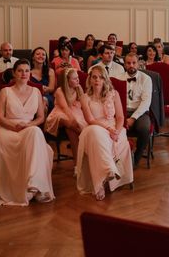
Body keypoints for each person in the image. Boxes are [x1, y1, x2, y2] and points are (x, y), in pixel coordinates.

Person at [0, 59, 54, 206]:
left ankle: (33, 183)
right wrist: (14, 127)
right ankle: (28, 186)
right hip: (7, 130)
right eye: (20, 70)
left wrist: (29, 125)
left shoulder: (36, 92)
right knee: (35, 135)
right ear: (14, 73)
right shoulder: (5, 92)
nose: (24, 74)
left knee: (35, 132)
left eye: (26, 71)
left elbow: (40, 117)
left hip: (27, 128)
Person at [76, 64, 133, 200]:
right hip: (94, 127)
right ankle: (106, 174)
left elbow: (120, 117)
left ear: (105, 80)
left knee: (99, 137)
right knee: (95, 132)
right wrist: (107, 129)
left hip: (115, 128)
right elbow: (90, 119)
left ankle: (102, 180)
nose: (97, 80)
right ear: (89, 79)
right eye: (94, 77)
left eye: (100, 77)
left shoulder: (114, 94)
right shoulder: (84, 97)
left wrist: (117, 131)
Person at [44, 67, 87, 162]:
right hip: (61, 112)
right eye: (74, 78)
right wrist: (75, 122)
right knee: (71, 123)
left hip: (74, 111)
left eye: (78, 77)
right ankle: (85, 135)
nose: (78, 80)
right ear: (67, 80)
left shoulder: (78, 88)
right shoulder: (60, 91)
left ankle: (77, 164)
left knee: (71, 130)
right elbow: (65, 109)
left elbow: (83, 103)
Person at [122, 53, 152, 165]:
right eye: (128, 63)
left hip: (140, 111)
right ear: (124, 65)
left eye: (134, 63)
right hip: (122, 111)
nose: (131, 65)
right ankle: (119, 156)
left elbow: (146, 102)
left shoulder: (146, 79)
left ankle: (137, 157)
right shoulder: (118, 78)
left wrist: (133, 118)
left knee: (144, 128)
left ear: (138, 64)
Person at [30, 47, 56, 111]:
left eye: (43, 54)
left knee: (44, 100)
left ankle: (41, 120)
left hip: (47, 96)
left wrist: (43, 88)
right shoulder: (28, 72)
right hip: (32, 96)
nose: (41, 56)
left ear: (45, 58)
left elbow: (51, 88)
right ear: (33, 57)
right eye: (38, 54)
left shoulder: (50, 71)